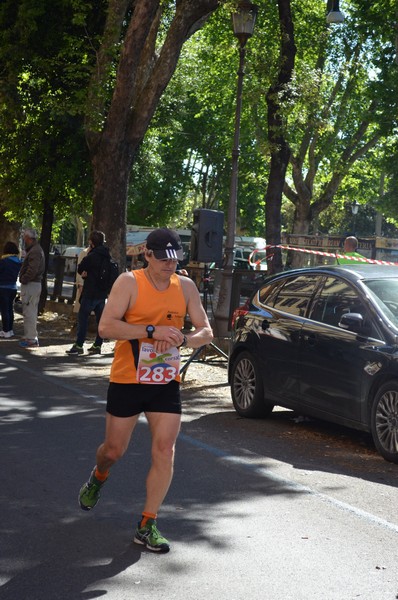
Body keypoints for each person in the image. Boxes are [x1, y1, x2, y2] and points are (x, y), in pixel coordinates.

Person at [78, 227, 213, 553]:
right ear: (147, 255)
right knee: (113, 450)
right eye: (163, 258)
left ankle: (147, 523)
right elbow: (106, 327)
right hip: (128, 379)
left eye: (175, 258)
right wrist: (151, 331)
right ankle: (99, 476)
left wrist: (184, 339)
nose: (170, 264)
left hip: (165, 381)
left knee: (165, 449)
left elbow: (205, 331)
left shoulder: (186, 287)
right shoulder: (129, 282)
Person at [66, 231, 111, 355]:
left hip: (90, 292)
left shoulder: (91, 256)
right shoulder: (108, 256)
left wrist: (85, 274)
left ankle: (79, 345)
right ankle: (97, 344)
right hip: (102, 294)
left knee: (83, 319)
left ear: (91, 242)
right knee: (100, 320)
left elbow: (80, 269)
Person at [18, 229, 45, 348]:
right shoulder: (36, 250)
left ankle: (31, 339)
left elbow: (32, 270)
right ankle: (31, 337)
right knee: (30, 312)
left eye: (25, 238)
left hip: (31, 285)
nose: (24, 240)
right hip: (33, 284)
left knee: (29, 312)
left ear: (29, 238)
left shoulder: (35, 251)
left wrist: (23, 278)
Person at [0, 241, 22, 338]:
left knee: (4, 310)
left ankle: (5, 331)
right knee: (10, 309)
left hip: (3, 287)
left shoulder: (4, 261)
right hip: (13, 287)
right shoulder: (18, 261)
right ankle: (10, 330)